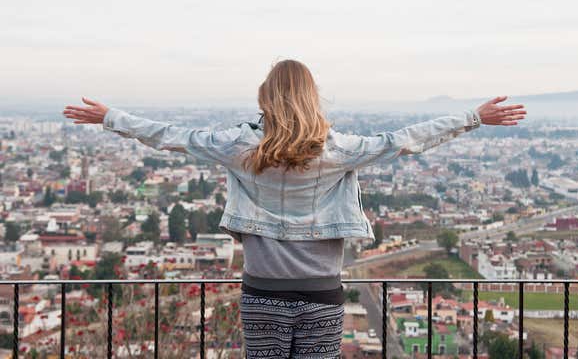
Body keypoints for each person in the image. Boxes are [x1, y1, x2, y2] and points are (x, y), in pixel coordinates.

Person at [63, 59, 526, 358]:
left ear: (265, 97)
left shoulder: (238, 145)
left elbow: (172, 137)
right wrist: (472, 118)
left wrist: (110, 118)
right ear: (311, 98)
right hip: (321, 291)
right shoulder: (338, 148)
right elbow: (401, 141)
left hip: (262, 290)